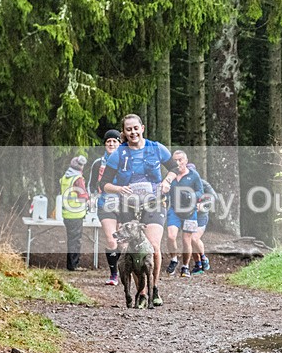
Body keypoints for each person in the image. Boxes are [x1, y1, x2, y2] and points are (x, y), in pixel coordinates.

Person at [100, 114, 178, 308]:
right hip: (129, 205)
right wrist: (118, 189)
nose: (133, 132)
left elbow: (174, 168)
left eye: (136, 128)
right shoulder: (119, 154)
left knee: (153, 245)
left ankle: (154, 288)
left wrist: (167, 181)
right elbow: (104, 184)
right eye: (128, 129)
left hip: (154, 203)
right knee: (131, 251)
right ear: (124, 132)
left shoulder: (156, 148)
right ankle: (141, 293)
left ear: (142, 128)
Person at [87, 129, 122, 285]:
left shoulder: (126, 160)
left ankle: (123, 269)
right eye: (108, 141)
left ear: (120, 143)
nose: (111, 144)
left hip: (124, 204)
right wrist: (92, 198)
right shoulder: (98, 163)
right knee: (111, 239)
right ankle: (114, 274)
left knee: (123, 242)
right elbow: (91, 184)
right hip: (105, 203)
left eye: (114, 141)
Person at [164, 151, 203, 278]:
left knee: (187, 240)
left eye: (180, 160)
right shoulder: (171, 176)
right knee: (171, 236)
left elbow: (200, 192)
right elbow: (164, 190)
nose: (178, 163)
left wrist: (191, 195)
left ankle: (185, 266)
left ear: (186, 161)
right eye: (175, 160)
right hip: (174, 210)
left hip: (190, 212)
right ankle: (174, 259)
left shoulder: (194, 175)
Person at [59, 155, 90, 271]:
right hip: (76, 214)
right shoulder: (78, 179)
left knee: (71, 239)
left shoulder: (65, 177)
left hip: (66, 213)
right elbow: (82, 196)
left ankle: (71, 264)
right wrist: (88, 199)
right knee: (75, 240)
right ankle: (74, 265)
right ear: (81, 167)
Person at [186, 162, 215, 274]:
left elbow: (214, 198)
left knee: (194, 238)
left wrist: (202, 206)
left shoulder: (204, 184)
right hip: (188, 216)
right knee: (189, 241)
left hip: (201, 216)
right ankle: (198, 265)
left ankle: (203, 258)